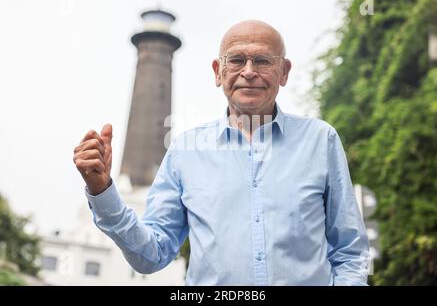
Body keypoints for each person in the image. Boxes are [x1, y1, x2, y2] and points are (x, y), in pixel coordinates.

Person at [73, 20, 370, 285]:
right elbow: (151, 255)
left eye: (263, 60)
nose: (249, 72)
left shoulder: (320, 140)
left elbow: (350, 250)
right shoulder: (185, 152)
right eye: (237, 60)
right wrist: (102, 191)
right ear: (218, 71)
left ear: (284, 72)